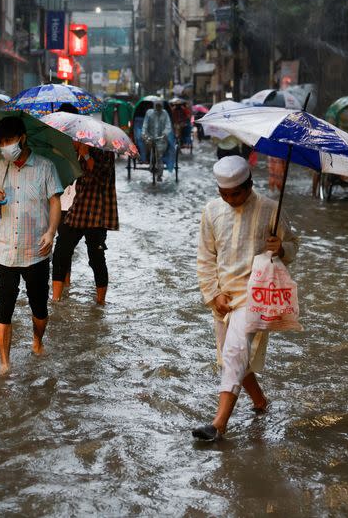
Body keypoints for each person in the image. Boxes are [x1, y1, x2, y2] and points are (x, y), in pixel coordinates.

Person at [193, 155, 298, 441]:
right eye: (223, 194)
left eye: (235, 193)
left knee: (234, 352)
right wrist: (213, 294)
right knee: (232, 359)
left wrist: (281, 249)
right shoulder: (212, 211)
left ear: (249, 185)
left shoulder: (270, 210)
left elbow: (294, 246)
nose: (229, 199)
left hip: (256, 297)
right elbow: (206, 258)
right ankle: (261, 402)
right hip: (224, 298)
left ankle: (218, 425)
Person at [0, 116, 63, 375]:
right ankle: (5, 364)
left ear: (22, 138)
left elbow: (55, 202)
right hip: (6, 250)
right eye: (1, 143)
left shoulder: (45, 167)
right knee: (3, 309)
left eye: (9, 141)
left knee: (39, 309)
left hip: (36, 251)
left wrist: (51, 232)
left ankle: (37, 342)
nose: (5, 146)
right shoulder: (0, 168)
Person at [51, 139, 118, 305]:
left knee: (96, 257)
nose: (71, 141)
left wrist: (86, 155)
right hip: (78, 209)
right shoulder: (74, 153)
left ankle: (100, 302)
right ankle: (55, 300)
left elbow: (101, 177)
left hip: (97, 213)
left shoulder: (104, 151)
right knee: (60, 252)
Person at [142, 100, 172, 181]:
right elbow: (145, 124)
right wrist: (144, 134)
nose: (158, 107)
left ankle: (159, 174)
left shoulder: (165, 113)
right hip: (150, 138)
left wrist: (165, 133)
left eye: (160, 106)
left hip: (161, 139)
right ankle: (150, 164)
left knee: (159, 155)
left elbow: (168, 125)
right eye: (157, 105)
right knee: (150, 150)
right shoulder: (149, 113)